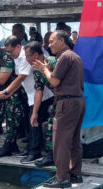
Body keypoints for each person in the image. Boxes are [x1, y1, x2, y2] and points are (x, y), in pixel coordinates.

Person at [33, 30, 85, 188]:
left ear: (62, 41)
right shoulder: (74, 56)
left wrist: (44, 70)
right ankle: (75, 174)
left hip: (66, 103)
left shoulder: (64, 56)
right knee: (74, 140)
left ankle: (62, 177)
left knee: (60, 142)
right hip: (78, 101)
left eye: (51, 41)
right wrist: (49, 70)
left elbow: (54, 82)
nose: (49, 46)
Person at [0, 36, 53, 159]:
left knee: (35, 122)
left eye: (10, 51)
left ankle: (35, 151)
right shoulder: (22, 58)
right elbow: (25, 82)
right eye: (7, 51)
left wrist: (5, 91)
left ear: (18, 47)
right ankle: (32, 148)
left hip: (44, 95)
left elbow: (21, 77)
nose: (9, 54)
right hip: (33, 93)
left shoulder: (30, 58)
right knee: (30, 121)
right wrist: (9, 93)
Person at [22, 41, 55, 164]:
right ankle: (50, 155)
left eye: (27, 56)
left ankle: (53, 156)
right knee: (49, 127)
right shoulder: (36, 68)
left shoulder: (51, 62)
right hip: (57, 99)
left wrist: (46, 70)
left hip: (67, 98)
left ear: (35, 55)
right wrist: (34, 113)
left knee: (54, 128)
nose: (26, 59)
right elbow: (39, 90)